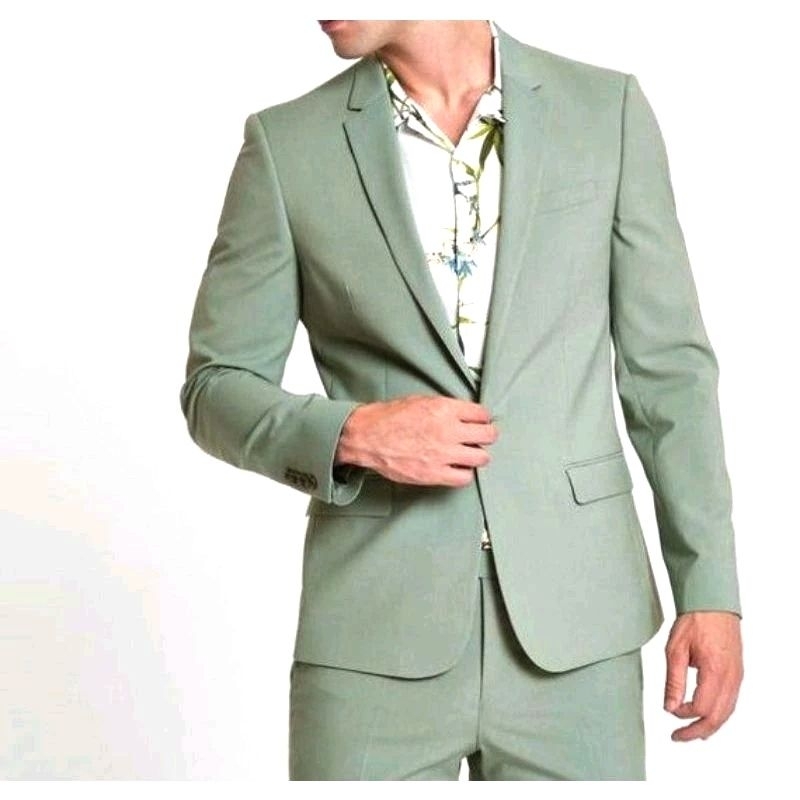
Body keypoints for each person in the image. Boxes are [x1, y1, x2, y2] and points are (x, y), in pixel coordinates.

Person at [179, 19, 744, 781]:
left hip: (579, 623)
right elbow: (215, 386)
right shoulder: (288, 144)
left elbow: (668, 372)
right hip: (372, 630)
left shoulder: (603, 111)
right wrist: (352, 432)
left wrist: (709, 589)